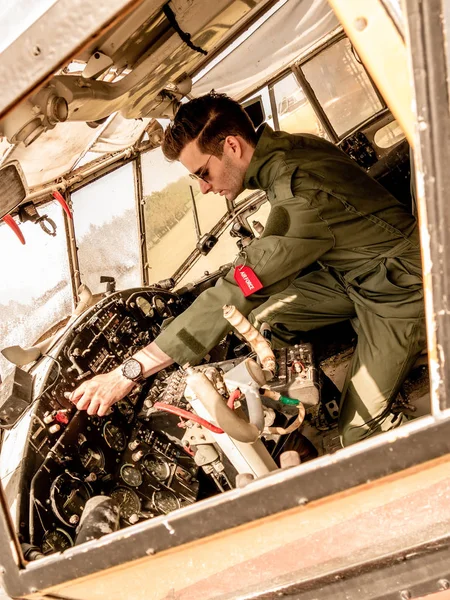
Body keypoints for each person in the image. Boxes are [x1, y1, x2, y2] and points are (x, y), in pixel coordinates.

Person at [70, 92, 426, 447]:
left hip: (398, 288)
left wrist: (128, 372)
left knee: (359, 435)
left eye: (203, 173)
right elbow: (277, 246)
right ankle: (294, 407)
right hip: (356, 273)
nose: (205, 187)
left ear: (232, 146)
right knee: (270, 317)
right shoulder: (288, 152)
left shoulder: (300, 192)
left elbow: (237, 288)